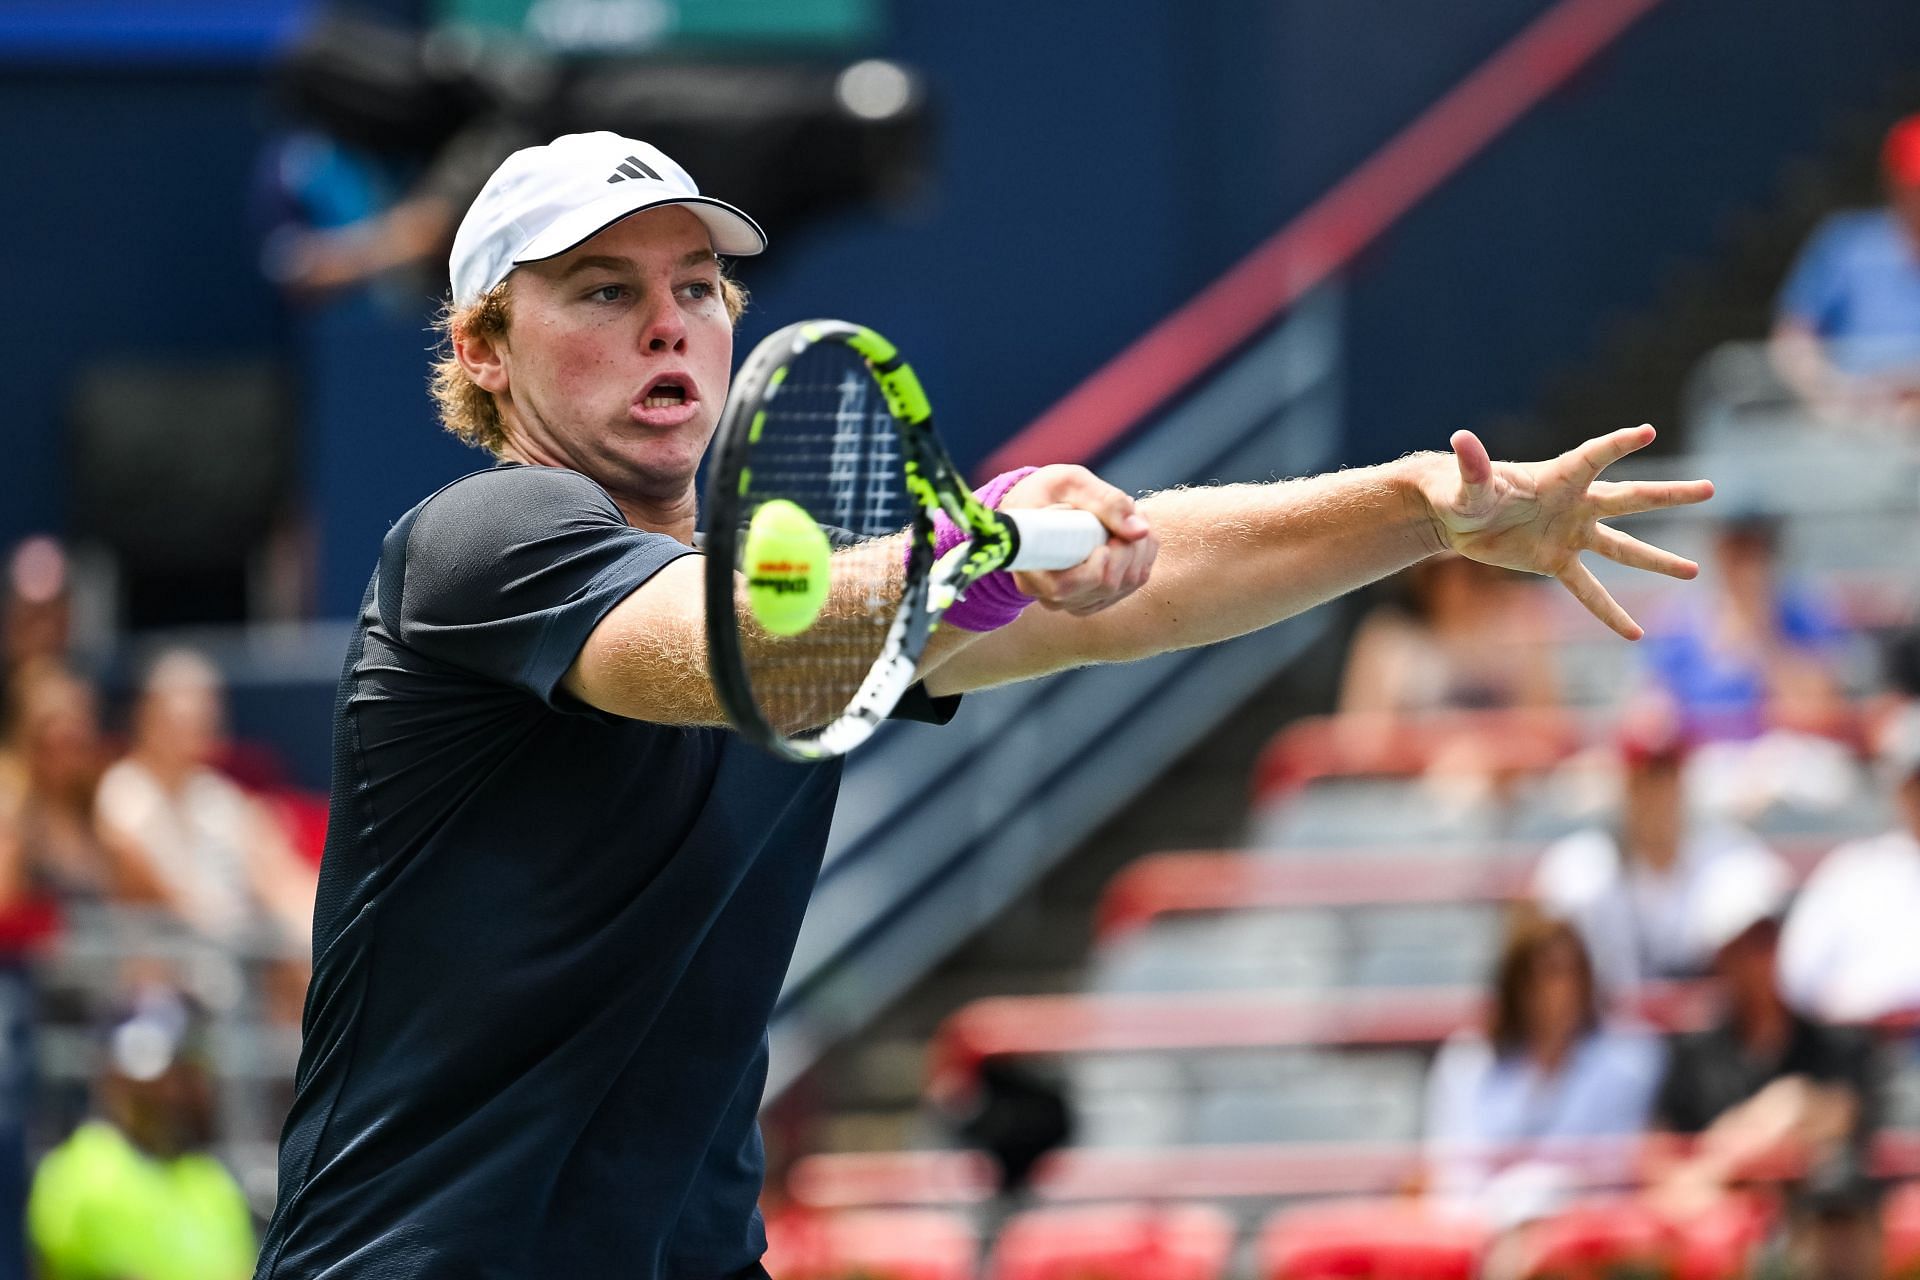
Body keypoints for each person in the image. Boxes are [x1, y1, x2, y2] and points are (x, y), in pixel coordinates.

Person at [253, 130, 1712, 1278]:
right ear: (484, 349)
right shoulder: (473, 547)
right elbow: (724, 651)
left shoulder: (825, 601)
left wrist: (1422, 510)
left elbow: (1135, 593)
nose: (667, 328)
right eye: (603, 291)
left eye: (695, 287)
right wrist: (989, 542)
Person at [1651, 845, 1879, 1214]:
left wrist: (1721, 1156)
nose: (1760, 958)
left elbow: (1839, 1118)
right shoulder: (1692, 1055)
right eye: (1743, 945)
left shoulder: (1837, 1044)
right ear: (1720, 957)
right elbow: (1662, 1166)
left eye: (1767, 939)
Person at [1531, 698, 1784, 996]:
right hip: (1614, 1032)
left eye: (1667, 777)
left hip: (1707, 1034)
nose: (1657, 794)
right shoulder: (1582, 865)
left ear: (1684, 781)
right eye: (1645, 780)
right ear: (1624, 786)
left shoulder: (1732, 857)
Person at [1422, 910, 1666, 1206]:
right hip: (1486, 1228)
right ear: (1515, 985)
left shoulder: (1629, 1061)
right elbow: (1454, 1172)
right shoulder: (1467, 1061)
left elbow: (1615, 1172)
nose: (1557, 992)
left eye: (1568, 974)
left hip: (1585, 1232)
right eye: (1542, 976)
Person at [27, 989, 256, 1280]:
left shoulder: (213, 1181)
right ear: (111, 1078)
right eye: (155, 1080)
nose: (169, 1094)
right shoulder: (74, 1174)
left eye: (181, 1075)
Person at [1770, 114, 1920, 428]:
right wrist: (1834, 399)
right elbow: (1791, 342)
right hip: (1859, 429)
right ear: (1894, 183)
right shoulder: (1848, 245)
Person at [1778, 703, 1920, 1021]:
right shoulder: (1853, 871)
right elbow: (1798, 977)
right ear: (1899, 788)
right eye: (1917, 782)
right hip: (1863, 1051)